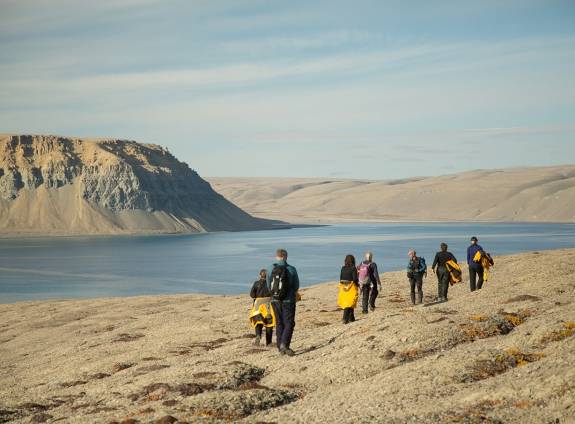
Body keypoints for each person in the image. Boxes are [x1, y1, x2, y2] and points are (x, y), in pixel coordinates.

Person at [267, 248, 300, 356]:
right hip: (288, 300)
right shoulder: (291, 269)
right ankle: (284, 345)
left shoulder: (270, 268)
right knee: (289, 322)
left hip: (275, 300)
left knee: (279, 323)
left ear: (277, 257)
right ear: (286, 257)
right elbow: (296, 286)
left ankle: (280, 347)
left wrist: (275, 295)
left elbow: (268, 285)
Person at [249, 269, 274, 346]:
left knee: (258, 323)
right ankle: (269, 342)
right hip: (268, 307)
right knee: (269, 324)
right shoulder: (271, 284)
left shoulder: (256, 283)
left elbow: (252, 295)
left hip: (257, 307)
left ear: (260, 275)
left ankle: (258, 336)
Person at [338, 254, 359, 324]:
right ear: (353, 260)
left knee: (348, 303)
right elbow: (355, 279)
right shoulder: (353, 268)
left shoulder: (343, 268)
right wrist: (358, 285)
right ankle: (344, 319)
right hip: (351, 287)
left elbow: (341, 278)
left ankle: (351, 318)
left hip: (343, 287)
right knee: (350, 303)